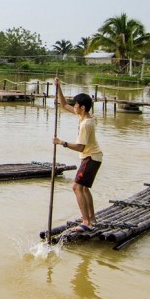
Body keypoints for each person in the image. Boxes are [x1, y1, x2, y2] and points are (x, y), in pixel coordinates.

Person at [52, 78, 103, 232]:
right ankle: (91, 218)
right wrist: (58, 87)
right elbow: (63, 105)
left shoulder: (86, 124)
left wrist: (62, 143)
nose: (73, 107)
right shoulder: (84, 116)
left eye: (75, 105)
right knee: (84, 188)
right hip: (93, 157)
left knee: (76, 187)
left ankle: (86, 222)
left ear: (82, 107)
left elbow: (81, 147)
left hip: (90, 157)